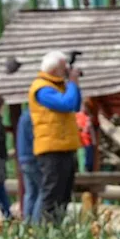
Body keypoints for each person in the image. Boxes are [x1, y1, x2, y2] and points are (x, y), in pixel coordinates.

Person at [28, 51, 83, 224]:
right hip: (51, 149)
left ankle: (56, 227)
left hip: (64, 147)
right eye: (63, 67)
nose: (66, 70)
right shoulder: (42, 88)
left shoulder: (58, 87)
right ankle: (45, 229)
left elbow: (75, 104)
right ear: (54, 69)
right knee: (52, 193)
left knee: (64, 193)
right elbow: (67, 104)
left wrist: (72, 84)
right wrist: (73, 82)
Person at [16, 109, 43, 222]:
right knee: (43, 190)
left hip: (23, 158)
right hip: (33, 157)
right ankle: (37, 221)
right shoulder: (34, 117)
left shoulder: (23, 116)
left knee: (30, 193)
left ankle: (27, 221)